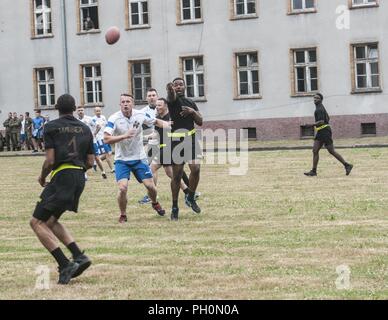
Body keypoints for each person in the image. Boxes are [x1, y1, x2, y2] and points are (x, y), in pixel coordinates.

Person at [29, 94, 94, 285]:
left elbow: (50, 160)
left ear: (57, 107)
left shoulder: (51, 127)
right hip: (79, 177)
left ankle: (64, 264)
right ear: (75, 108)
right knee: (50, 220)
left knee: (36, 222)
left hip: (62, 176)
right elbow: (90, 161)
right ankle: (78, 256)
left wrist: (42, 177)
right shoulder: (85, 128)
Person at [103, 94, 170, 223]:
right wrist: (124, 136)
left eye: (128, 101)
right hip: (122, 159)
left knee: (150, 186)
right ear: (120, 104)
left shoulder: (140, 115)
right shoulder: (114, 118)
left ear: (132, 104)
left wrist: (168, 124)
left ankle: (155, 202)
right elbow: (106, 139)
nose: (125, 104)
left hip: (139, 157)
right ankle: (123, 214)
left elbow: (155, 121)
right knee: (122, 188)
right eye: (123, 102)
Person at [139, 98, 201, 205]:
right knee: (171, 173)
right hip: (163, 147)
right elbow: (156, 134)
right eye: (156, 105)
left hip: (169, 148)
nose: (157, 107)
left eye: (159, 105)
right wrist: (143, 137)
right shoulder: (158, 118)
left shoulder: (171, 117)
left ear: (166, 106)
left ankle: (150, 195)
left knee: (151, 169)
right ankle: (188, 192)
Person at [166, 78, 203, 221]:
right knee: (177, 175)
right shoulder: (172, 101)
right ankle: (174, 207)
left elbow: (200, 121)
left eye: (180, 84)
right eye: (175, 85)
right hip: (176, 140)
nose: (178, 87)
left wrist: (192, 111)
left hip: (191, 139)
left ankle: (191, 197)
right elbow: (171, 95)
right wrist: (169, 88)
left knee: (196, 168)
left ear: (185, 86)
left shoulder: (190, 102)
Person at [304, 93, 353, 177]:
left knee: (331, 151)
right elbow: (328, 118)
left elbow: (322, 121)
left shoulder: (319, 109)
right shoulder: (320, 108)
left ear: (321, 99)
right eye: (314, 98)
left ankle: (347, 165)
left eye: (317, 98)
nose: (315, 99)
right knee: (315, 150)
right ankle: (314, 171)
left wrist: (310, 125)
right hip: (321, 131)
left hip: (325, 131)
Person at [77, 107, 107, 179]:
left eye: (82, 110)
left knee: (96, 158)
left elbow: (98, 126)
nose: (80, 112)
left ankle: (103, 172)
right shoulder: (76, 121)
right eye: (79, 111)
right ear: (77, 112)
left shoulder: (89, 119)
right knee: (83, 158)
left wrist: (94, 134)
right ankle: (84, 174)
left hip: (92, 142)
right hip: (82, 142)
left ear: (84, 111)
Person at [92, 107, 114, 174]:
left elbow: (106, 126)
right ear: (94, 112)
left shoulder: (103, 117)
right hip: (100, 139)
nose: (98, 112)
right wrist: (95, 135)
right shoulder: (93, 119)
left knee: (109, 153)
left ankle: (95, 162)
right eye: (97, 111)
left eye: (99, 111)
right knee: (107, 153)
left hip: (105, 137)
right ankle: (112, 169)